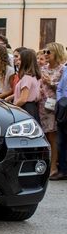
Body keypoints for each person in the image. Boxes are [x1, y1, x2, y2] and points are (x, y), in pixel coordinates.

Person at [39, 42, 66, 178]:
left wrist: (50, 82)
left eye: (48, 52)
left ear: (56, 53)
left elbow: (62, 87)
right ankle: (48, 164)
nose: (45, 55)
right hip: (43, 105)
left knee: (53, 136)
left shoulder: (62, 69)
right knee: (46, 135)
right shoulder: (43, 68)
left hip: (55, 105)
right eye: (44, 52)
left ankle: (54, 166)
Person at [8, 48, 41, 122]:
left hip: (25, 108)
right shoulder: (33, 76)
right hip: (31, 107)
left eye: (20, 60)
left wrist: (12, 107)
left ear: (26, 62)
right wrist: (8, 98)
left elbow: (23, 99)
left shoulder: (27, 77)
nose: (17, 62)